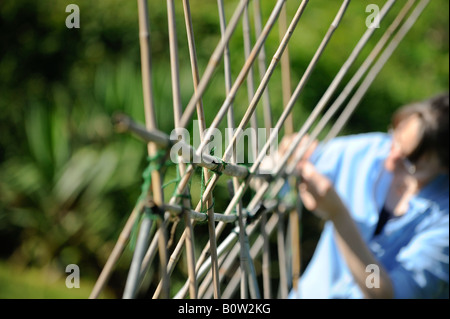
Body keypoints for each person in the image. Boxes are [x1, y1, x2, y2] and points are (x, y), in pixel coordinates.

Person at [286, 93, 449, 299]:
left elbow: (385, 294)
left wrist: (340, 218)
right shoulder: (368, 152)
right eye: (396, 138)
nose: (392, 158)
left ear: (445, 167)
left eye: (410, 161)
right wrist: (289, 156)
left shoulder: (444, 222)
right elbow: (287, 173)